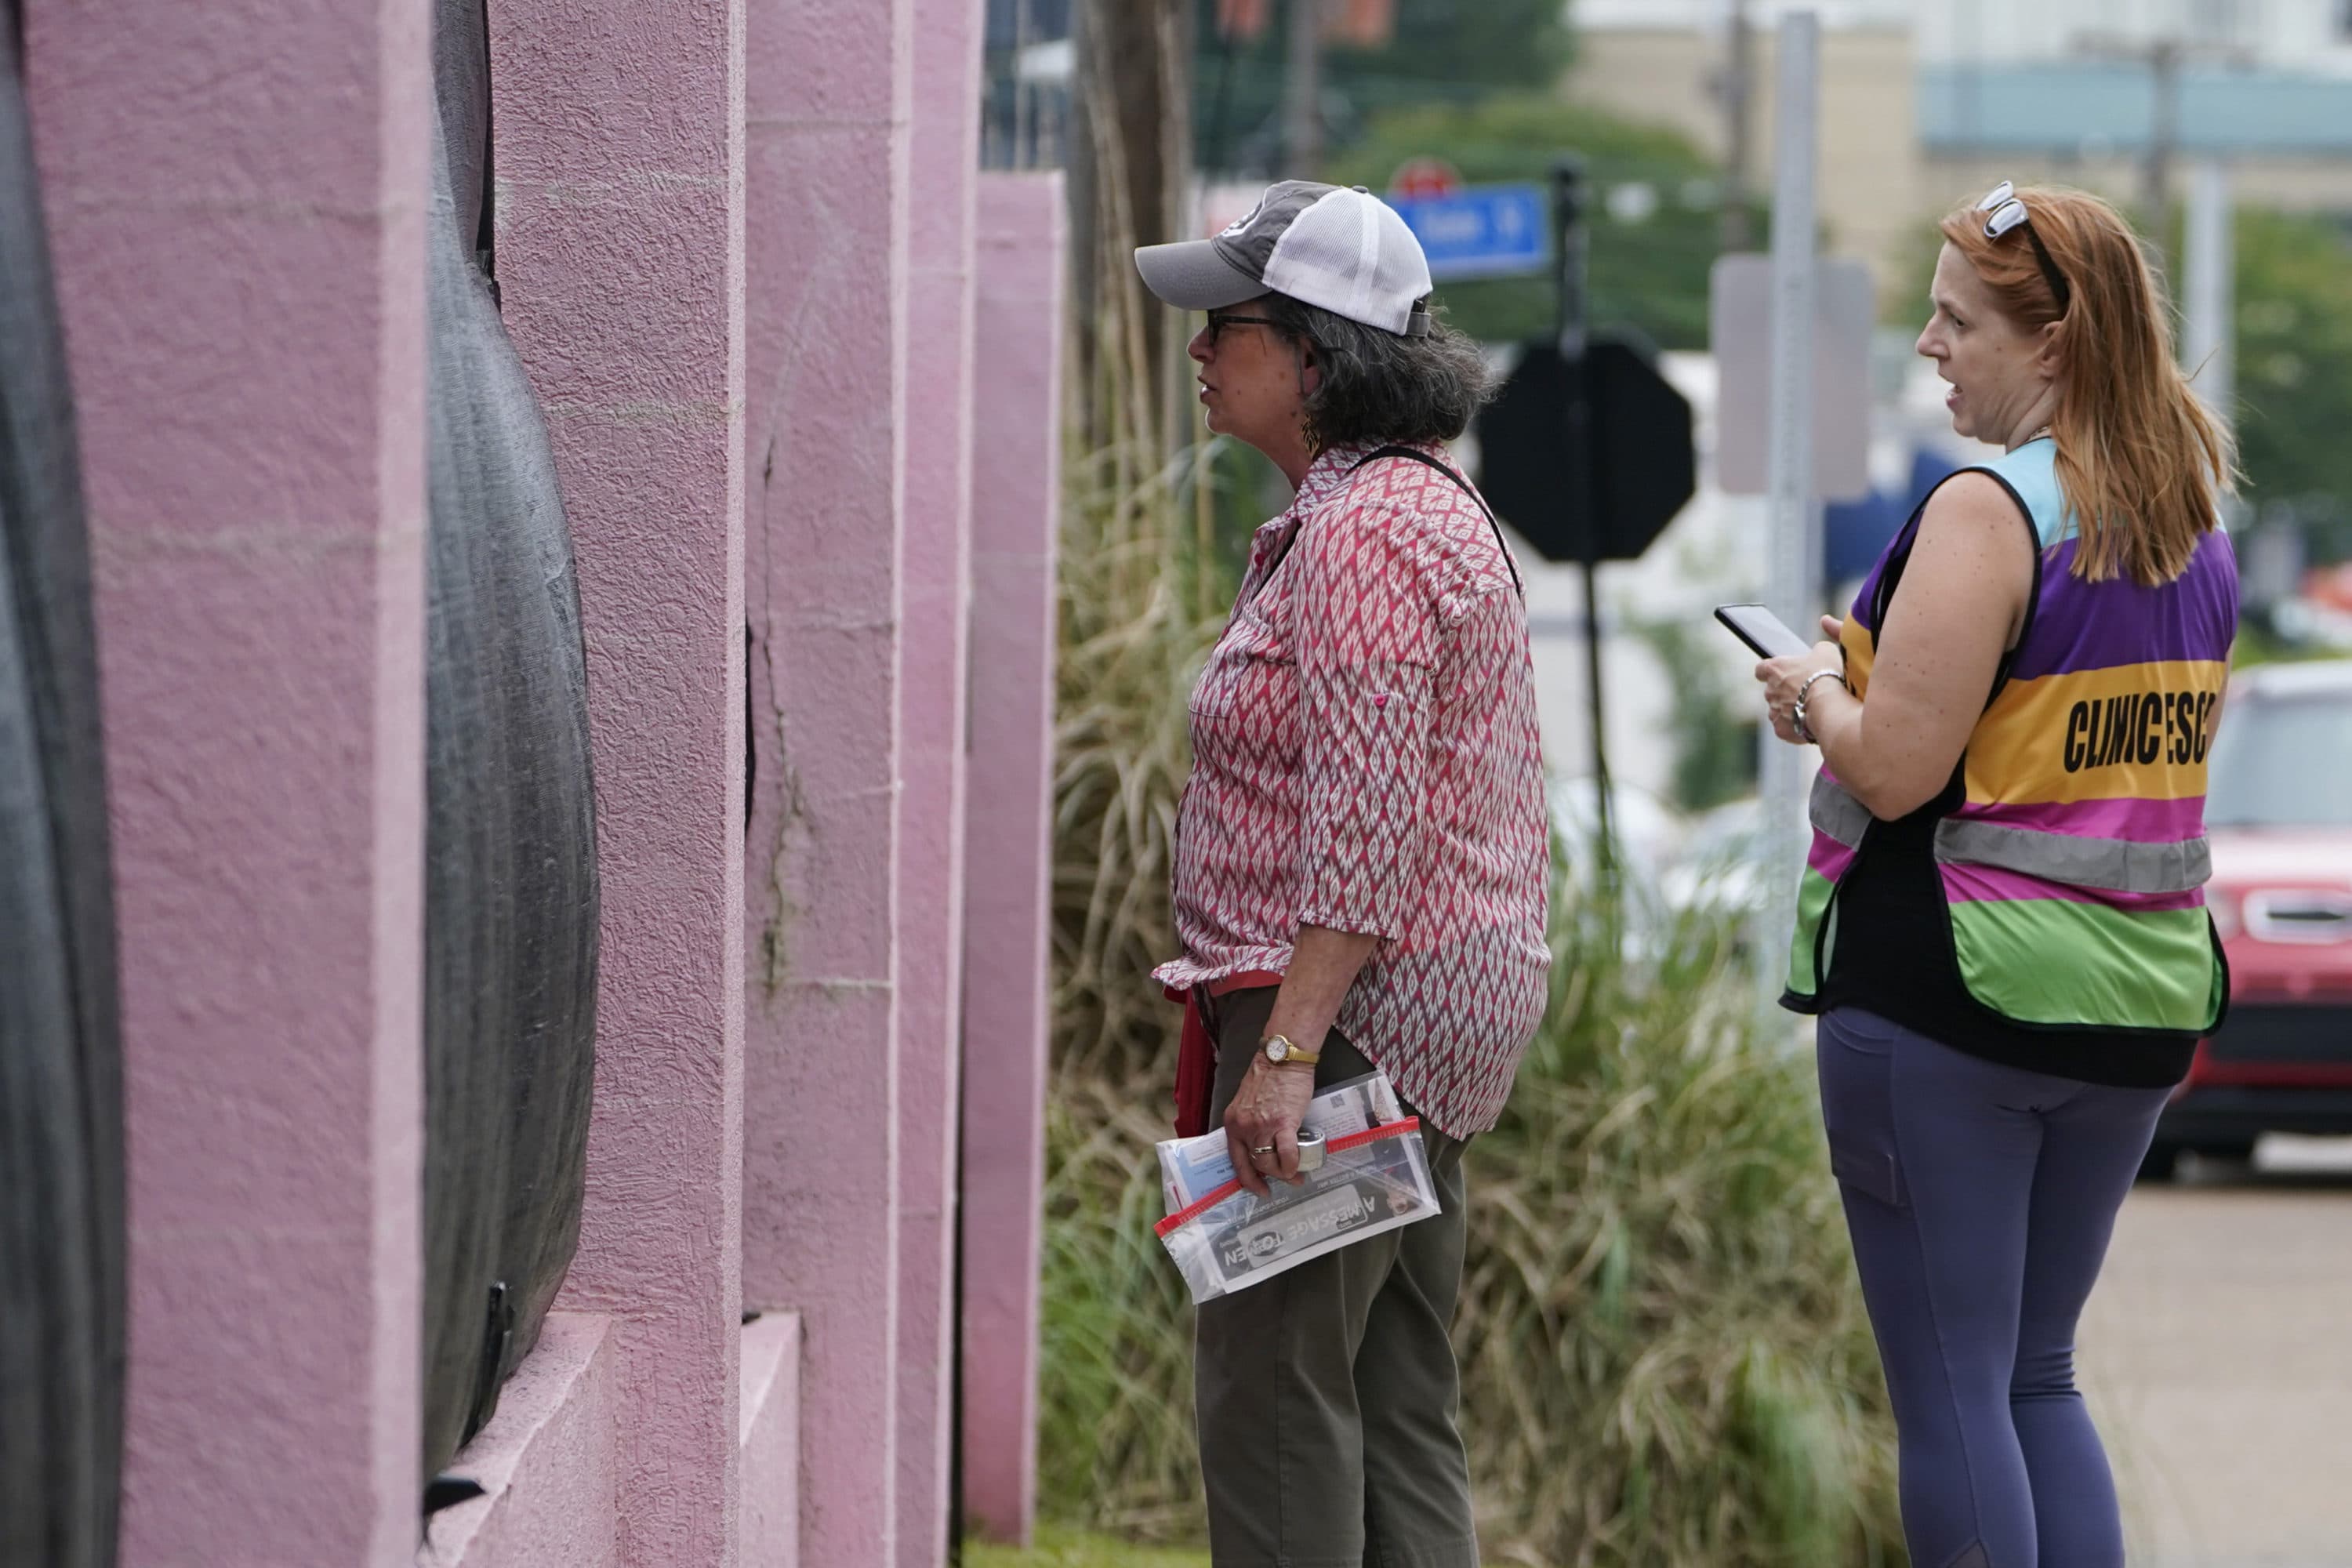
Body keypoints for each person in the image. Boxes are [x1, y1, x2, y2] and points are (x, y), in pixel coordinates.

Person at [1756, 181, 2238, 1567]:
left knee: (1955, 1388)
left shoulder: (1989, 512)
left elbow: (1899, 770)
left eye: (1958, 321)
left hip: (1949, 999)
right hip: (2137, 1001)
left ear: (2057, 343)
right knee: (2038, 1375)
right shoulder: (2187, 521)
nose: (1929, 345)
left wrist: (1809, 697)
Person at [1134, 180, 1551, 1567]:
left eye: (1226, 326)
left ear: (1318, 352)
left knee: (1272, 1393)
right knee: (1390, 1392)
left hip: (1342, 1014)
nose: (1198, 351)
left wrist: (1291, 1050)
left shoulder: (1369, 532)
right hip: (1417, 1023)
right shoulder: (1424, 506)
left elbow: (1368, 825)